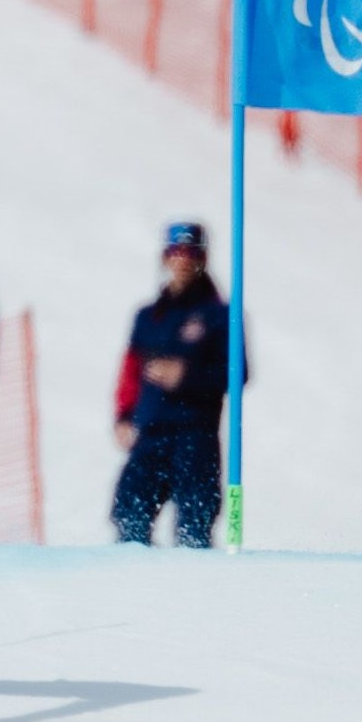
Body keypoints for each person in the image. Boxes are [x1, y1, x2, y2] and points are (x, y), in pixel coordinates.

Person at [110, 222, 243, 549]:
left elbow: (237, 374)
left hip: (196, 437)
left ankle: (192, 595)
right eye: (175, 253)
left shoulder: (219, 315)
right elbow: (130, 371)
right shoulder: (149, 315)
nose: (182, 260)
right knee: (129, 516)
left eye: (190, 253)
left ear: (202, 259)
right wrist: (124, 416)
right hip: (150, 434)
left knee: (195, 528)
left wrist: (186, 374)